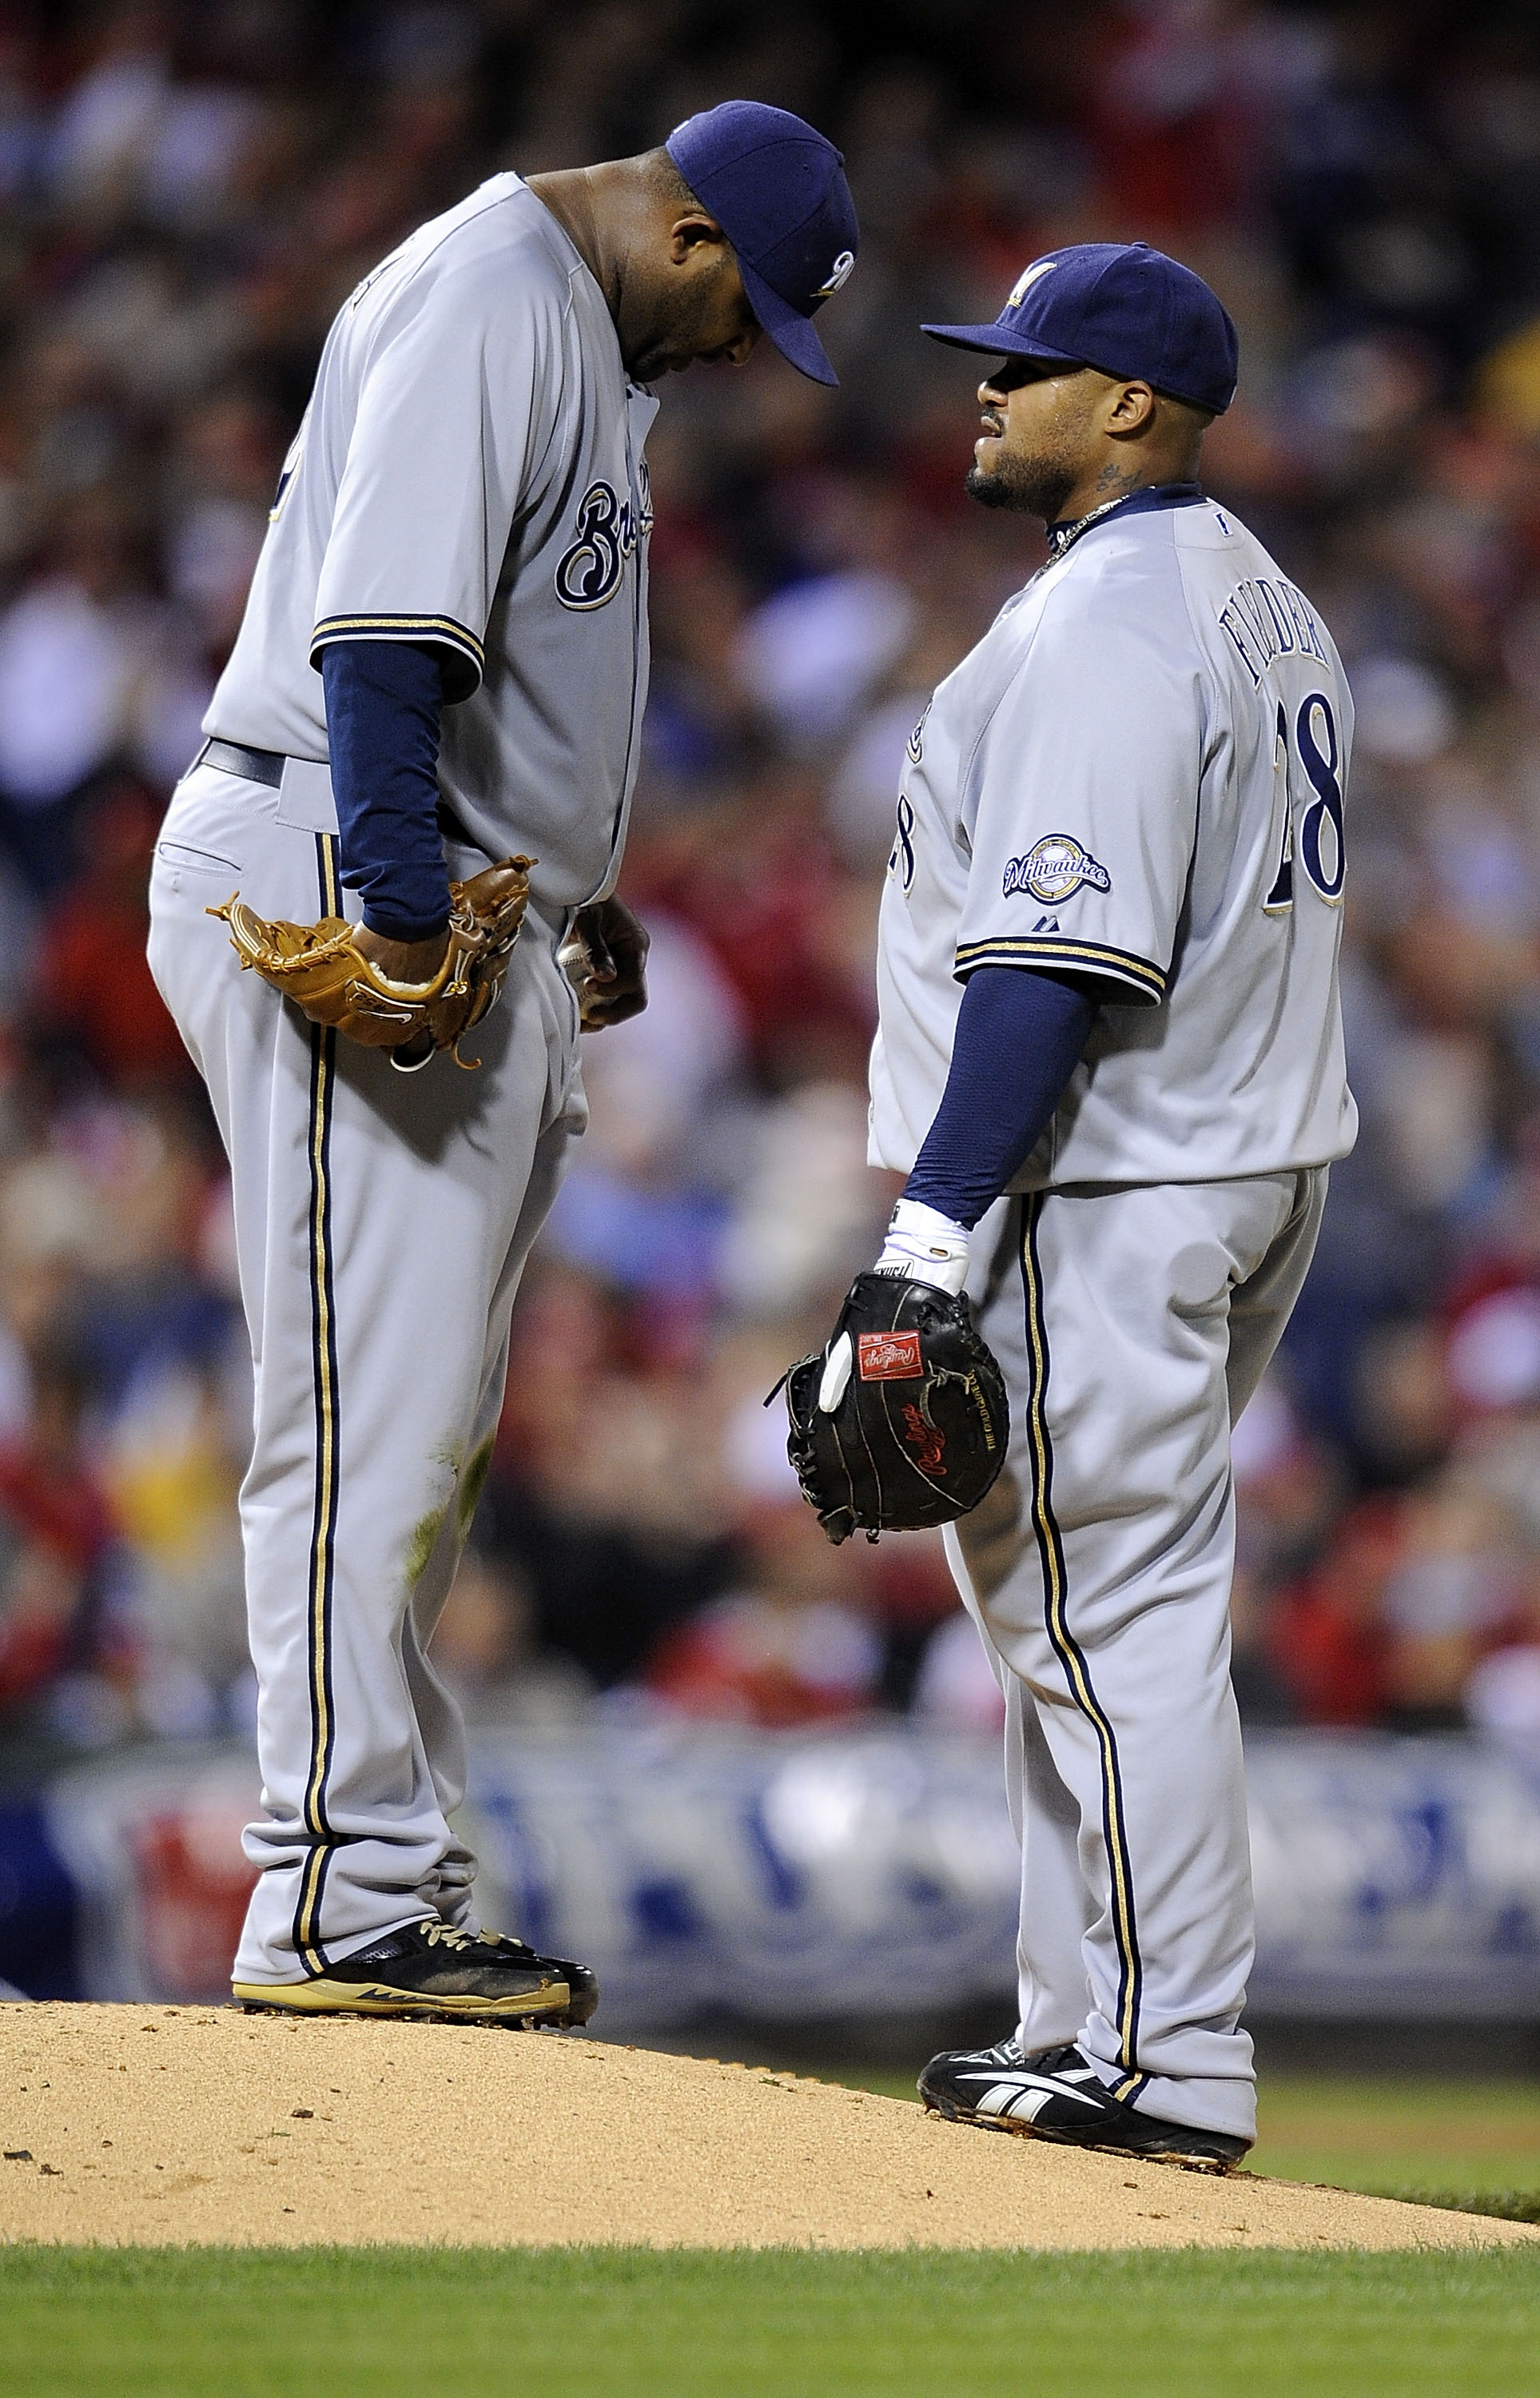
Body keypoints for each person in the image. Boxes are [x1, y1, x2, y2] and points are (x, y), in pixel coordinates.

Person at [147, 102, 858, 2026]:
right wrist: (398, 903)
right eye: (747, 316)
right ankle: (327, 1894)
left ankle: (380, 1872)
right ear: (689, 231)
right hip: (331, 837)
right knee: (359, 1408)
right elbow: (385, 642)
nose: (739, 358)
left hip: (436, 864)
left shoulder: (582, 322)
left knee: (424, 1432)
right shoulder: (497, 291)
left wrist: (564, 898)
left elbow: (508, 675)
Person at [860, 244, 1355, 2165]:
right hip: (1237, 1165)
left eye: (1027, 367)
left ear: (1129, 404)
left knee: (1112, 1616)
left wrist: (928, 1231)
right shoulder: (1260, 602)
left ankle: (1166, 2058)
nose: (985, 388)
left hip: (1113, 1178)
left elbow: (1051, 973)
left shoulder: (1107, 629)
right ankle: (1082, 2020)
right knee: (1063, 1607)